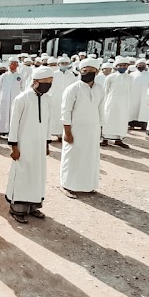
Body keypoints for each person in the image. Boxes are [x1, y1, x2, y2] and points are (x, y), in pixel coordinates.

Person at [5, 66, 54, 223]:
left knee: (37, 174)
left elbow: (47, 123)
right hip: (23, 146)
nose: (48, 85)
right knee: (22, 175)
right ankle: (17, 209)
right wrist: (14, 147)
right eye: (45, 82)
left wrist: (47, 143)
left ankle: (33, 206)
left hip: (39, 146)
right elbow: (14, 125)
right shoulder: (22, 99)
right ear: (35, 82)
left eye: (50, 82)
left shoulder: (48, 99)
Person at [60, 59, 104, 199]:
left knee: (90, 158)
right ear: (80, 71)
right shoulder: (73, 89)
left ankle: (88, 185)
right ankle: (66, 185)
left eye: (91, 71)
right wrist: (67, 132)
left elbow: (101, 111)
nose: (88, 74)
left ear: (97, 72)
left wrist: (100, 130)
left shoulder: (100, 89)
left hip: (92, 130)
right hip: (75, 130)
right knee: (72, 157)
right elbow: (65, 112)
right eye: (85, 71)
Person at [101, 57, 133, 148]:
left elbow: (130, 90)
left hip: (124, 102)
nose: (123, 67)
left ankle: (119, 140)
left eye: (125, 65)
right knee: (109, 119)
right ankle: (105, 139)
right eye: (121, 65)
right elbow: (105, 90)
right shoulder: (110, 77)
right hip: (111, 102)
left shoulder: (130, 78)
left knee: (121, 120)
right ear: (116, 66)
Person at [0, 57, 24, 139]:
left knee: (13, 115)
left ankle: (12, 133)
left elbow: (22, 88)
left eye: (15, 64)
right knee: (2, 114)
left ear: (17, 65)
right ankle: (0, 131)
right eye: (11, 64)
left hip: (15, 99)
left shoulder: (20, 76)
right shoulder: (4, 76)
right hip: (4, 99)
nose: (13, 65)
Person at [49, 56, 77, 141]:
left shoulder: (71, 75)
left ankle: (62, 135)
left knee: (65, 116)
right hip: (55, 98)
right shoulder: (54, 74)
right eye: (62, 63)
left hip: (67, 99)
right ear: (58, 64)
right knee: (54, 116)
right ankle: (52, 133)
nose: (64, 65)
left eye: (66, 64)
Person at [128, 59, 149, 130]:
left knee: (143, 110)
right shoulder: (132, 75)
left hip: (145, 96)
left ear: (145, 66)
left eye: (143, 65)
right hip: (133, 95)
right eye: (139, 65)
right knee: (133, 110)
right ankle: (131, 124)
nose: (141, 66)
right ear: (136, 65)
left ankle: (143, 125)